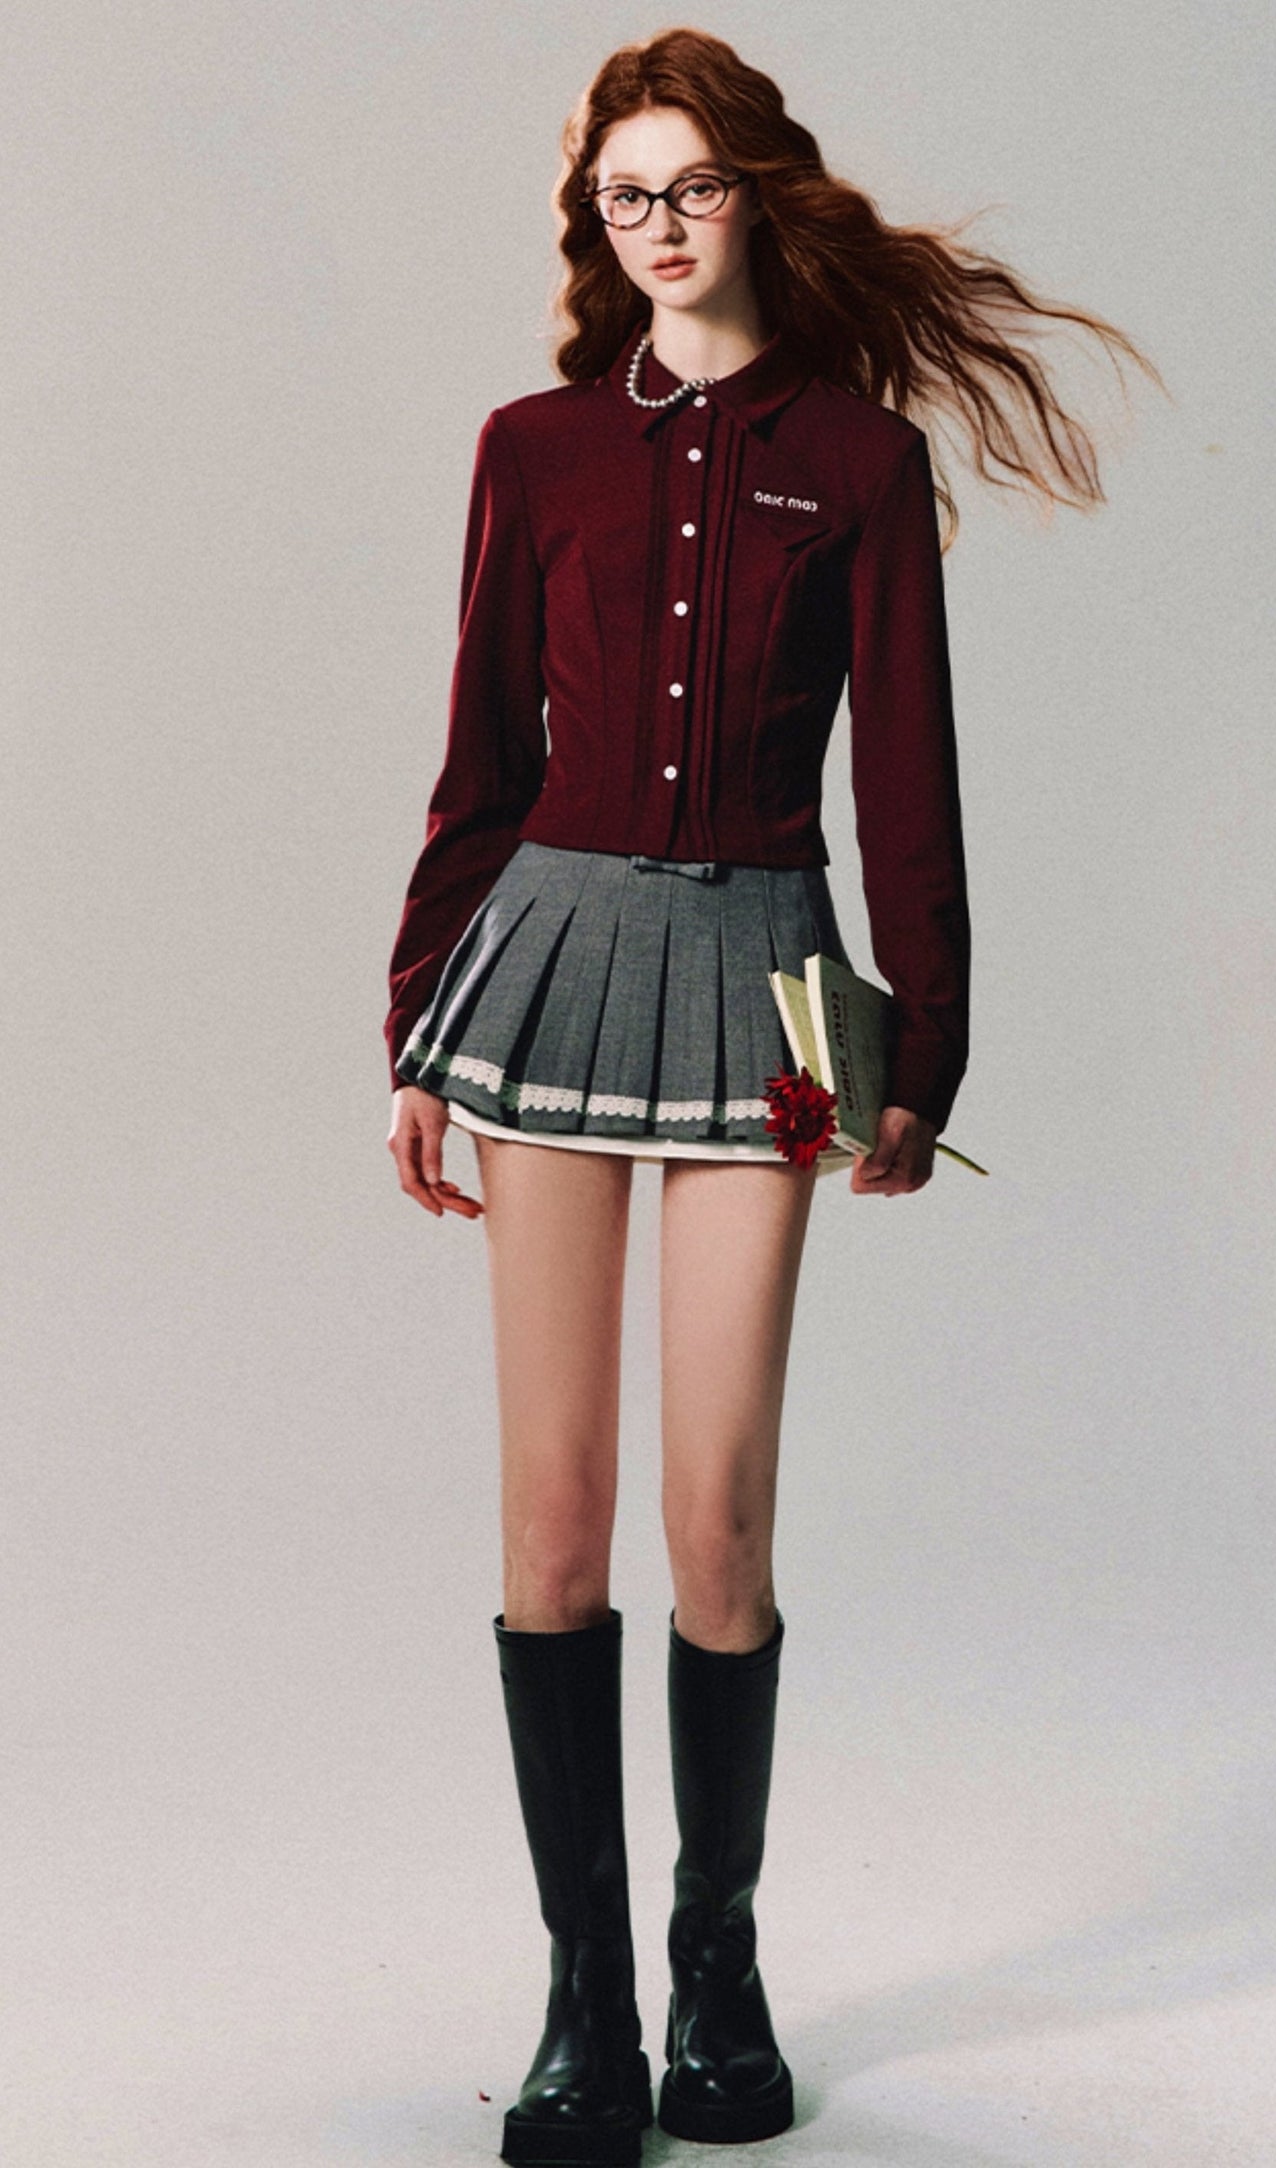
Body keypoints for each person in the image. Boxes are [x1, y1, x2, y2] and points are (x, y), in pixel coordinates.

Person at [384, 28, 1158, 2166]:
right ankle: (584, 2000)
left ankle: (714, 1967)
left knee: (718, 1512)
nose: (657, 222)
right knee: (551, 1514)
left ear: (757, 196)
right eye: (623, 195)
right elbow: (480, 756)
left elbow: (907, 772)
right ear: (598, 220)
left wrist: (923, 1044)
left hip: (772, 989)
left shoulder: (862, 460)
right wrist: (412, 1026)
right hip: (545, 962)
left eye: (691, 186)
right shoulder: (533, 447)